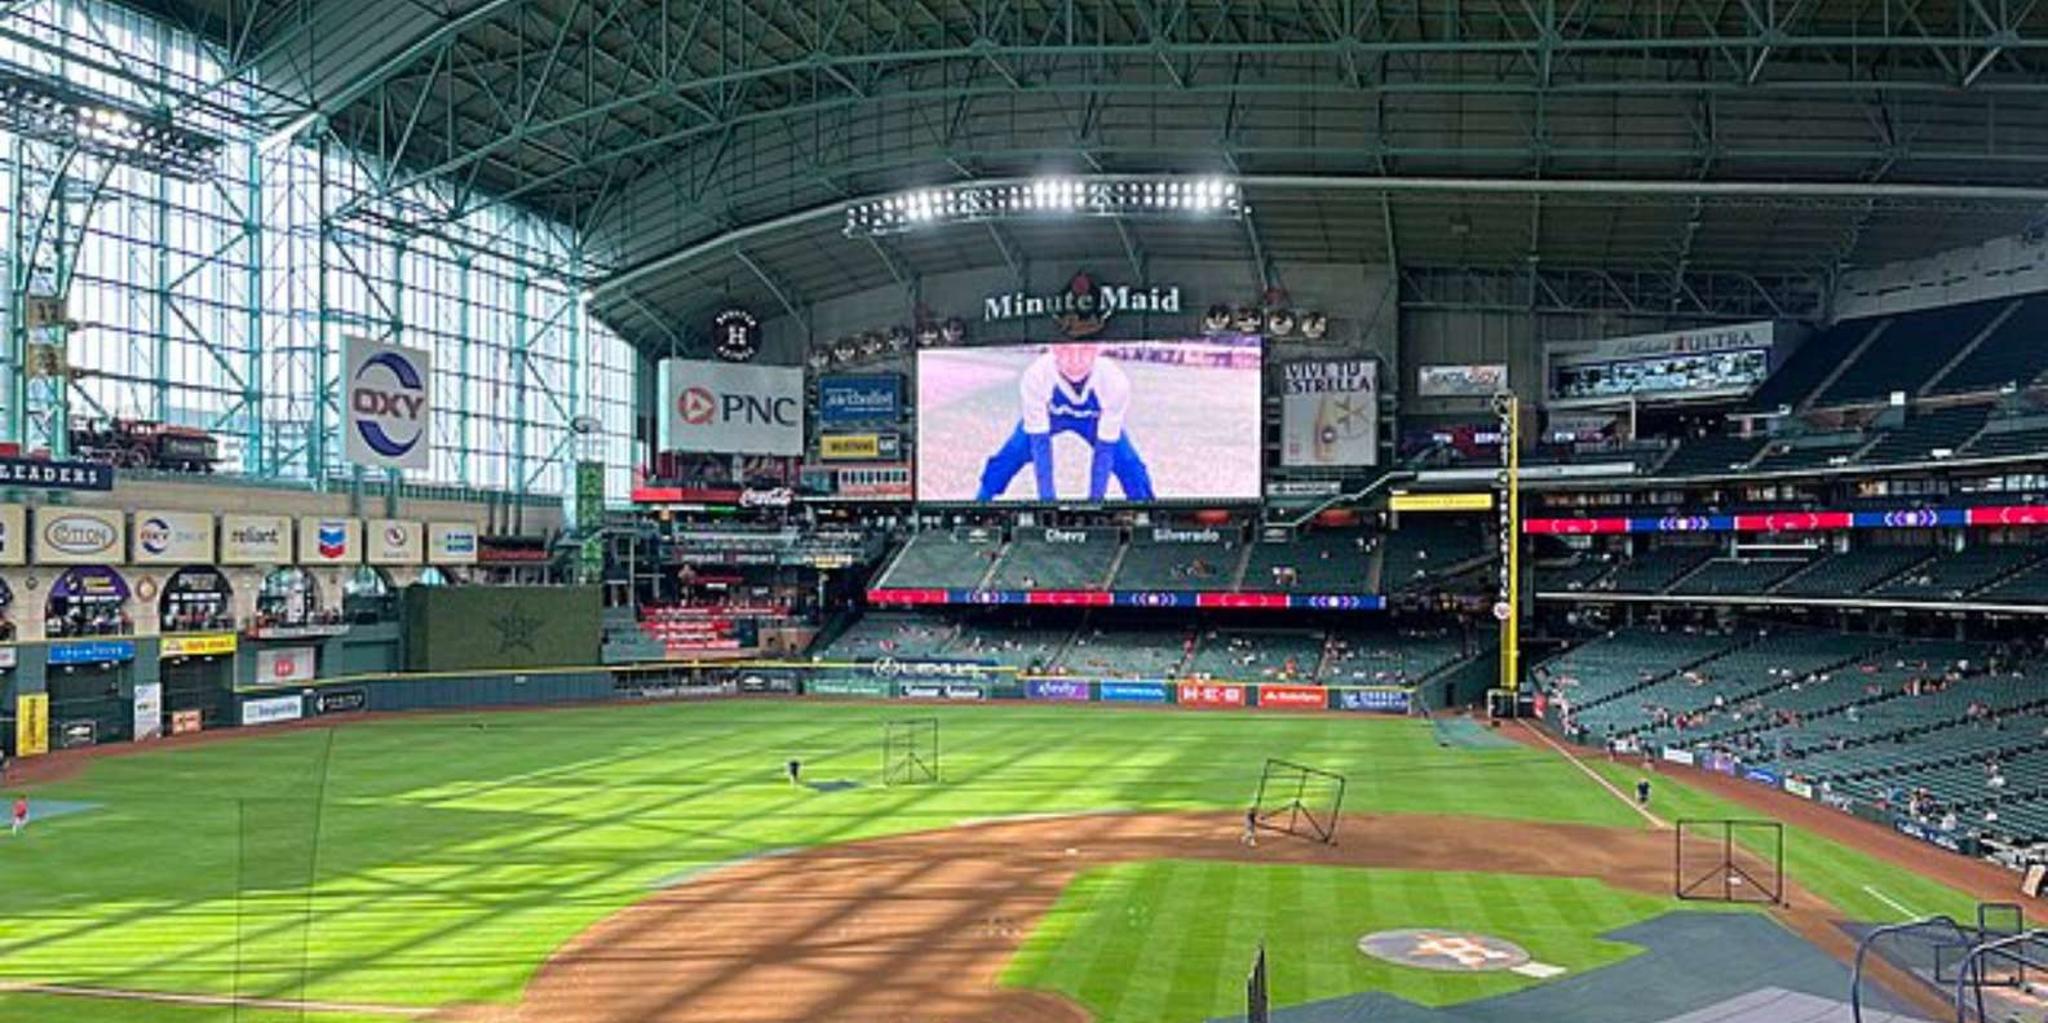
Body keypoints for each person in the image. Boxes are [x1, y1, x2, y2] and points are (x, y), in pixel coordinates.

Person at [974, 343, 1156, 501]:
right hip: (1051, 416)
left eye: (1085, 349)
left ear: (1098, 348)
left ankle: (1151, 516)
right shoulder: (1037, 376)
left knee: (1130, 465)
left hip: (1094, 420)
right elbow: (1040, 447)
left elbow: (1105, 451)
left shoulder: (1113, 381)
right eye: (1064, 349)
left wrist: (1094, 504)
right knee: (1011, 453)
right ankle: (979, 504)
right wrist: (1048, 504)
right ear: (1052, 348)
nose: (1075, 360)